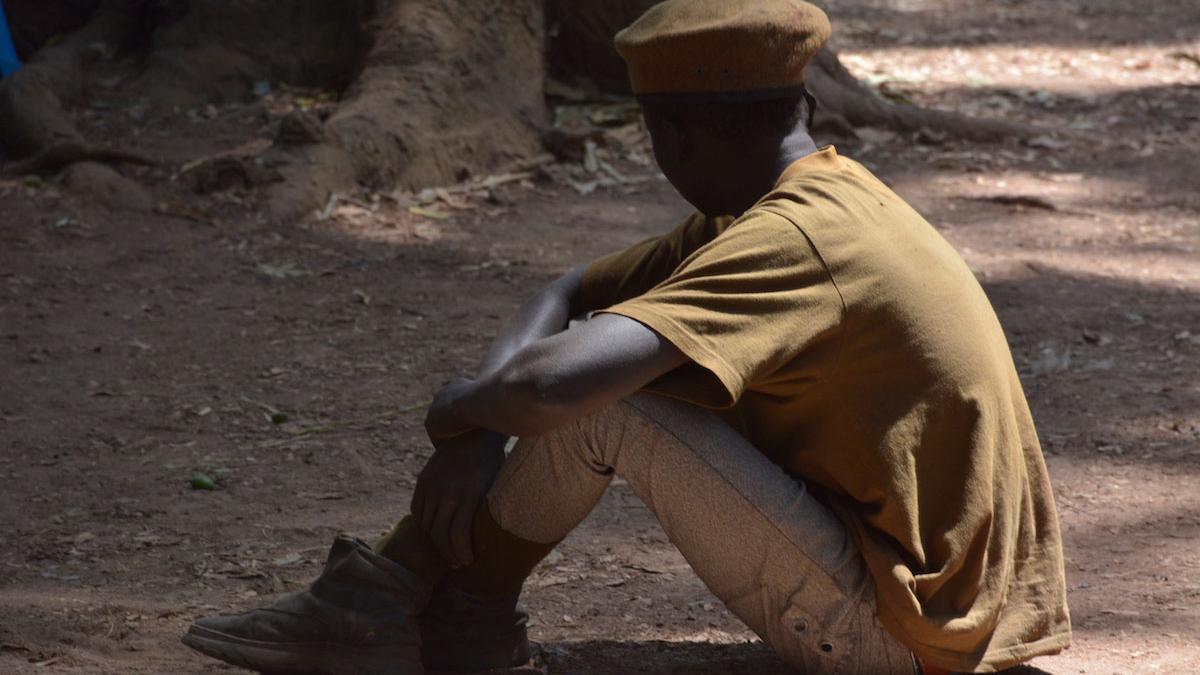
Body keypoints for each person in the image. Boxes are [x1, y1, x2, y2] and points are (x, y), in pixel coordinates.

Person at [182, 1, 1071, 673]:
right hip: (932, 601)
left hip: (909, 633)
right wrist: (483, 430)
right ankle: (406, 603)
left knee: (620, 403)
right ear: (799, 104)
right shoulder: (804, 199)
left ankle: (434, 618)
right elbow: (566, 289)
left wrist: (458, 415)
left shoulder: (791, 239)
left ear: (669, 134)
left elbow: (548, 388)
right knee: (596, 368)